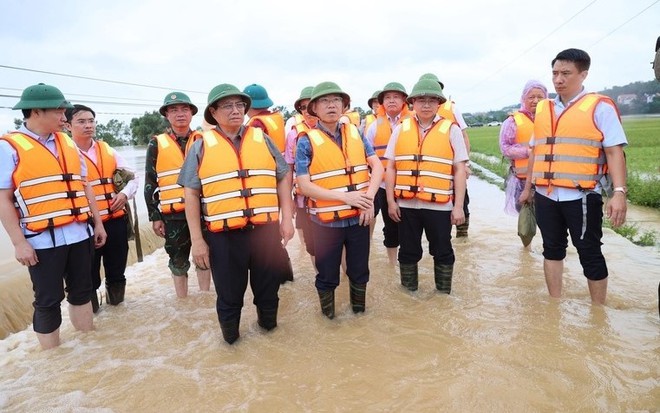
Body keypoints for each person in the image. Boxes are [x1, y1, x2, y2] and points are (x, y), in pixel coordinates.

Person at [178, 83, 294, 344]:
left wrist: (287, 218)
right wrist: (197, 240)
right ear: (213, 112)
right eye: (228, 105)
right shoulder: (200, 145)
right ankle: (232, 346)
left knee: (269, 293)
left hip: (265, 232)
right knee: (229, 297)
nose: (235, 110)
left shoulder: (261, 138)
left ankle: (270, 344)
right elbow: (191, 195)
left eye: (240, 105)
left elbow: (283, 175)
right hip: (224, 237)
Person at [0, 83, 107, 349]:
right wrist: (18, 243)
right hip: (41, 241)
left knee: (83, 292)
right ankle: (51, 361)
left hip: (79, 233)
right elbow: (3, 199)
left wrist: (98, 223)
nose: (64, 117)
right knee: (48, 300)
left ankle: (88, 350)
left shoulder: (67, 142)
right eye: (59, 111)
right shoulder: (9, 147)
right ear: (36, 111)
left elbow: (84, 184)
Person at [519, 48, 628, 305]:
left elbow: (614, 153)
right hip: (546, 194)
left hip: (582, 195)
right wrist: (528, 188)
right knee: (551, 249)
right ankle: (554, 306)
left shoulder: (600, 107)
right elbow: (535, 152)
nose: (558, 79)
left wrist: (619, 193)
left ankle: (598, 312)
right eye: (555, 73)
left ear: (583, 74)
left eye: (566, 73)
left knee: (589, 251)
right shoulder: (544, 109)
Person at [295, 82, 383, 319]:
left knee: (359, 272)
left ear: (344, 106)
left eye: (336, 100)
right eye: (324, 101)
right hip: (325, 223)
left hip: (358, 219)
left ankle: (359, 318)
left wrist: (369, 199)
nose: (331, 105)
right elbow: (304, 185)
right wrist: (345, 197)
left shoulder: (356, 133)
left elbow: (377, 166)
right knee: (326, 276)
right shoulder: (305, 141)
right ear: (314, 108)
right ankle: (329, 322)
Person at [384, 78, 468, 294]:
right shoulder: (401, 129)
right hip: (407, 205)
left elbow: (459, 170)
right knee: (408, 252)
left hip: (439, 206)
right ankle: (409, 298)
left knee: (443, 251)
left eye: (432, 100)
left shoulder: (452, 129)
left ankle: (442, 297)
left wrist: (458, 207)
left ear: (439, 103)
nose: (427, 105)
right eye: (421, 100)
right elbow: (391, 167)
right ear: (412, 103)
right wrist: (391, 202)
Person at [66, 104, 138, 312]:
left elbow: (134, 177)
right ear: (68, 126)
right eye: (81, 121)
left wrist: (124, 194)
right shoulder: (66, 154)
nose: (88, 126)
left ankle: (117, 313)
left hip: (115, 220)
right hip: (84, 226)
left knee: (117, 271)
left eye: (91, 121)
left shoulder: (108, 150)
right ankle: (93, 317)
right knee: (87, 275)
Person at [144, 92, 211, 298]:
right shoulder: (156, 144)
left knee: (205, 257)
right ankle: (183, 304)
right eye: (174, 110)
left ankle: (204, 301)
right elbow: (149, 182)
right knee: (178, 261)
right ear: (166, 115)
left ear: (191, 113)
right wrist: (155, 217)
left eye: (184, 109)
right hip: (173, 216)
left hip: (203, 212)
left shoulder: (203, 140)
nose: (180, 114)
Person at [244, 83, 294, 283]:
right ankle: (286, 277)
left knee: (268, 235)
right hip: (280, 179)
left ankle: (278, 277)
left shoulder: (256, 125)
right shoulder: (276, 118)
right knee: (273, 232)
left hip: (265, 184)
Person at [419, 73, 472, 237]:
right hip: (432, 169)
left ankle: (462, 234)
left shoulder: (452, 108)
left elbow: (464, 136)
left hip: (453, 164)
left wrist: (466, 165)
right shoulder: (417, 111)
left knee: (461, 199)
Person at [365, 82, 412, 265]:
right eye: (387, 98)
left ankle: (407, 262)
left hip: (409, 184)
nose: (392, 101)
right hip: (384, 186)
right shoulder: (374, 126)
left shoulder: (414, 122)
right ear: (382, 102)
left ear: (404, 101)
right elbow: (366, 157)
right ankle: (393, 264)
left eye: (396, 97)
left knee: (409, 227)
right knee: (390, 227)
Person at [499, 81, 548, 215]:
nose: (536, 101)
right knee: (527, 225)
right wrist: (528, 152)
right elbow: (505, 148)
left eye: (540, 97)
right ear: (523, 99)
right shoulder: (513, 121)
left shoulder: (551, 119)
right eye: (531, 97)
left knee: (550, 223)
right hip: (522, 181)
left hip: (548, 182)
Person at [285, 86, 317, 261]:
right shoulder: (293, 135)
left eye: (311, 105)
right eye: (303, 107)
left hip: (334, 199)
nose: (308, 111)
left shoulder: (341, 131)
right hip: (304, 200)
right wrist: (288, 199)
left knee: (341, 246)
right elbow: (289, 169)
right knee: (312, 247)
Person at [244, 84, 286, 153]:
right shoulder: (276, 117)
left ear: (247, 106)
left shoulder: (257, 123)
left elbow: (255, 147)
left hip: (267, 160)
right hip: (281, 159)